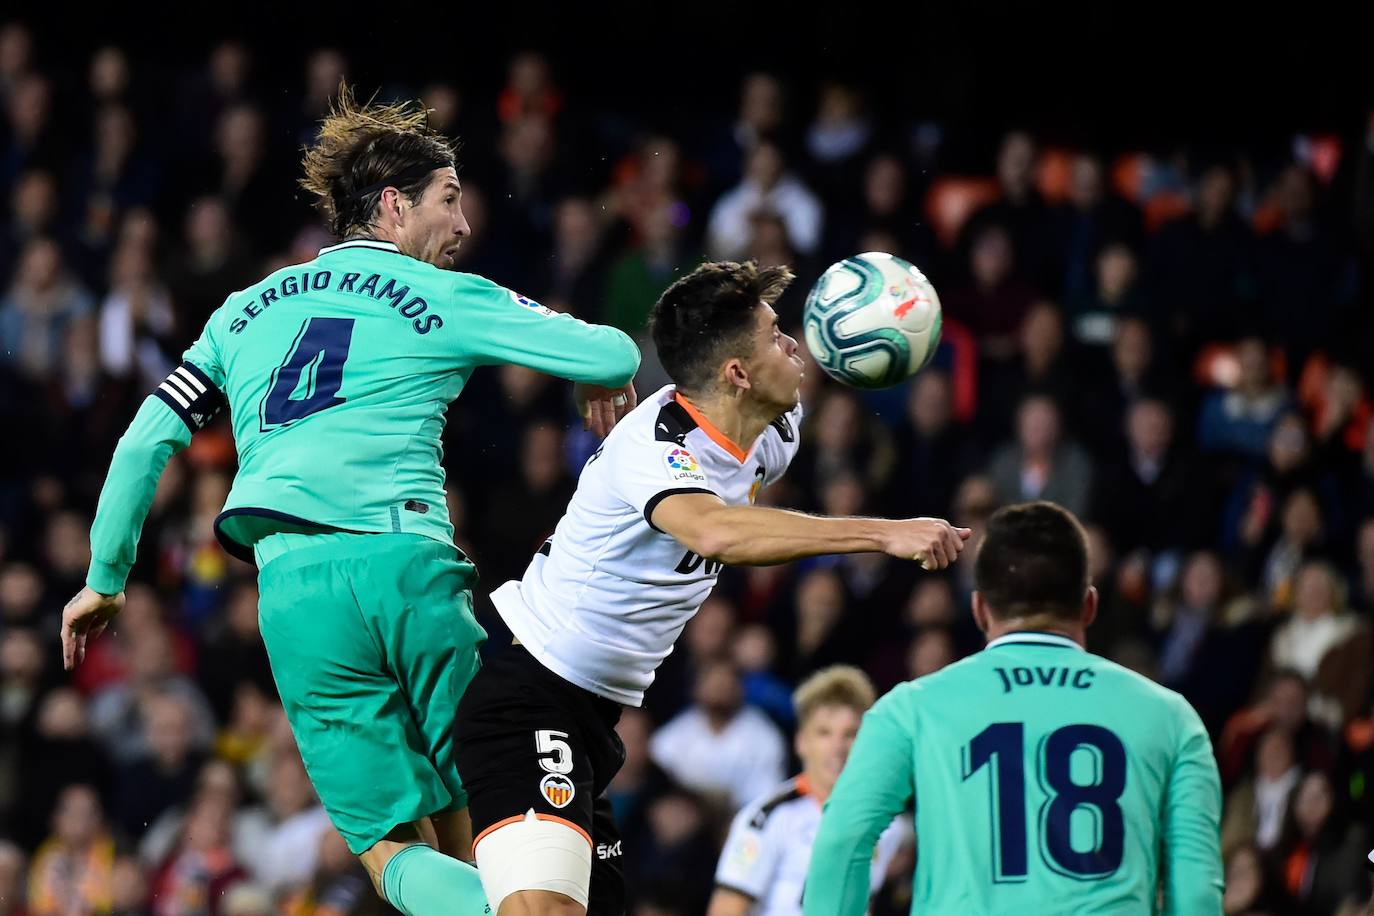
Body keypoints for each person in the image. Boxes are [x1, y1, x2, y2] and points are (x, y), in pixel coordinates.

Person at [59, 86, 641, 916]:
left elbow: (145, 440)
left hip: (294, 592)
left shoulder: (241, 313)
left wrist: (106, 578)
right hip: (407, 569)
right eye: (450, 202)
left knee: (390, 848)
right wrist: (604, 375)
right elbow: (614, 347)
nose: (465, 225)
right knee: (496, 810)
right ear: (396, 208)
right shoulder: (441, 297)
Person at [453, 260, 968, 916]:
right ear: (736, 374)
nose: (793, 344)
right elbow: (716, 532)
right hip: (529, 697)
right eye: (774, 334)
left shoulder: (777, 429)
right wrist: (883, 533)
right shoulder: (654, 444)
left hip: (593, 723)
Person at [804, 501, 1223, 914]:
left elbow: (844, 840)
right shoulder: (1171, 717)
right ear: (1089, 605)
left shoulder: (912, 709)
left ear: (980, 609)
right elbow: (1197, 892)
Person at [707, 666, 906, 916]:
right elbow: (726, 909)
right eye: (824, 733)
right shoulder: (766, 818)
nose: (837, 748)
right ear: (801, 742)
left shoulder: (888, 825)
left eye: (850, 734)